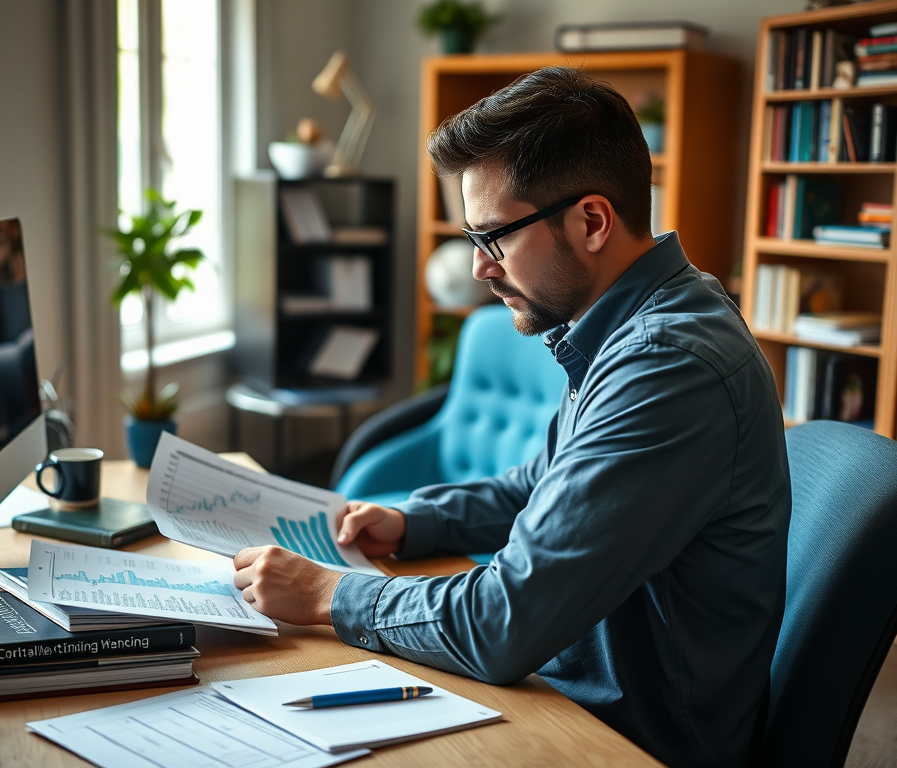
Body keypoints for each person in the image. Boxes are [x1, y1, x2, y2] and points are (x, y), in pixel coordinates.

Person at [233, 68, 791, 767]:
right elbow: (546, 482)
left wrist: (327, 592)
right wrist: (415, 521)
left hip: (623, 737)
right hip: (562, 684)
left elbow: (504, 622)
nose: (477, 269)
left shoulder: (666, 366)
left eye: (494, 237)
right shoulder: (635, 318)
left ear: (592, 221)